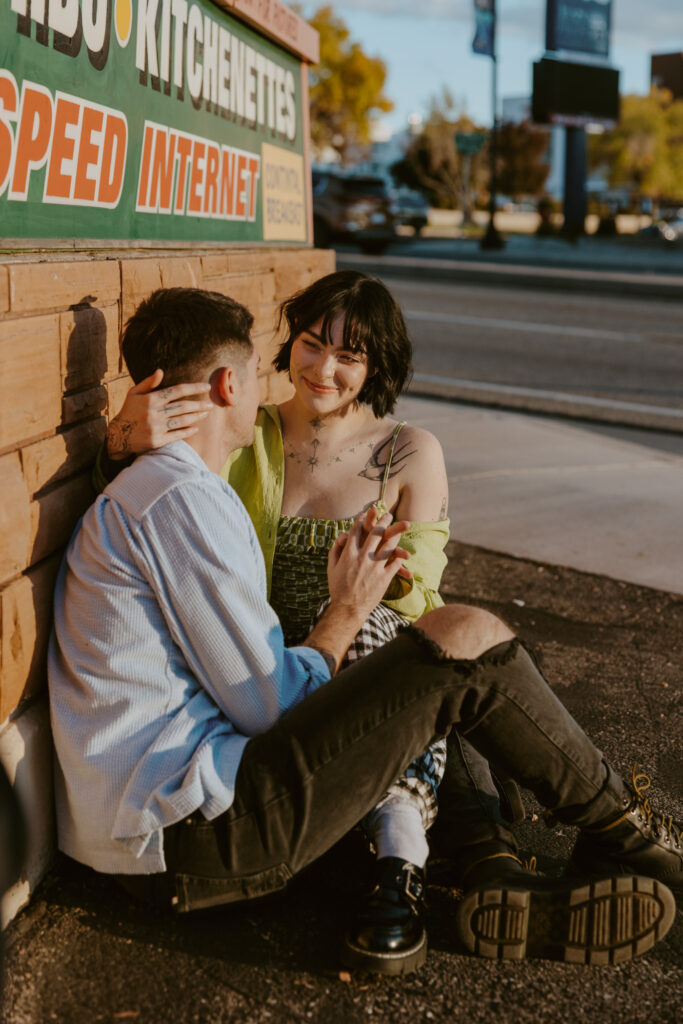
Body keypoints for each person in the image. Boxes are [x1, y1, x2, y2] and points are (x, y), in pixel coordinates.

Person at [50, 287, 681, 977]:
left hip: (165, 818)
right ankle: (629, 837)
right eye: (286, 354)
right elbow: (265, 701)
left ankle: (482, 875)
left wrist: (364, 614)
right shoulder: (185, 492)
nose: (307, 370)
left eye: (346, 353)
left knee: (421, 645)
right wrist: (344, 609)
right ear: (230, 383)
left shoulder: (176, 488)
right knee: (463, 637)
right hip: (187, 832)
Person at [94, 271, 458, 973]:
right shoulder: (242, 429)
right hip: (247, 655)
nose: (323, 368)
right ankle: (466, 851)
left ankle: (399, 866)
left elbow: (420, 593)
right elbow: (160, 508)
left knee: (390, 641)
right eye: (312, 343)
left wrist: (364, 586)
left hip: (357, 651)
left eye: (348, 357)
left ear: (375, 366)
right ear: (288, 343)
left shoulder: (409, 452)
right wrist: (119, 442)